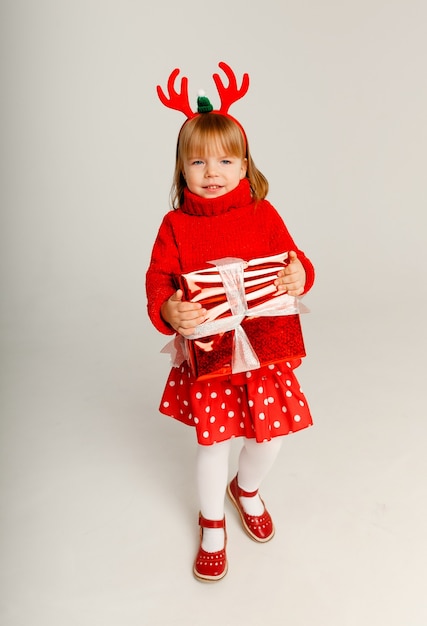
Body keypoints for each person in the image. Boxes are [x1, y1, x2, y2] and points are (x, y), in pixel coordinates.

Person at [146, 62, 315, 582]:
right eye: (197, 162)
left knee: (270, 439)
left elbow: (295, 260)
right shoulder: (175, 226)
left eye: (225, 159)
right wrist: (168, 310)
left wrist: (298, 276)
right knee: (212, 442)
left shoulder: (263, 215)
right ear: (182, 171)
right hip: (213, 355)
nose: (212, 172)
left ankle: (245, 490)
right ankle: (212, 521)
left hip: (264, 349)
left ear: (245, 166)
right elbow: (157, 280)